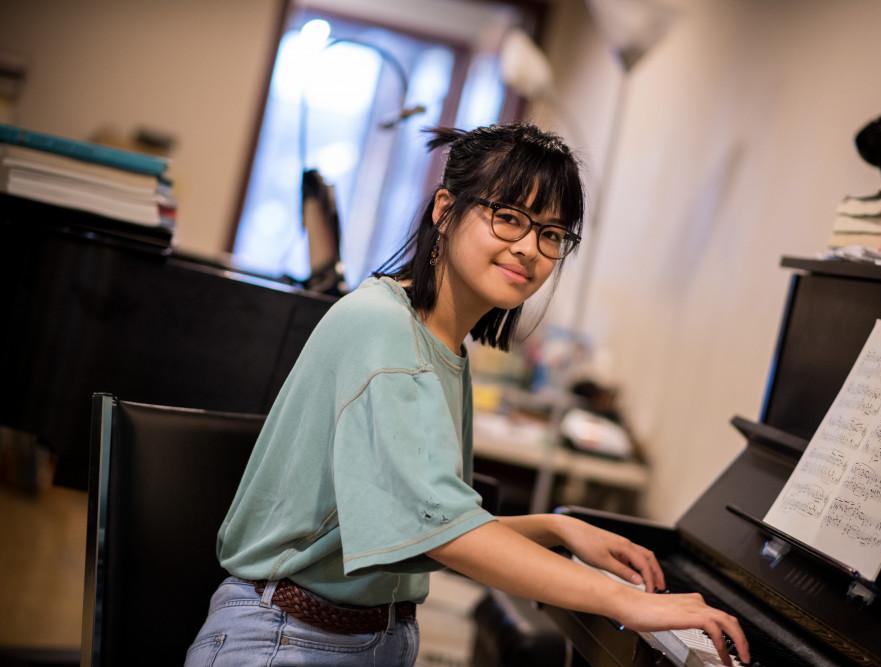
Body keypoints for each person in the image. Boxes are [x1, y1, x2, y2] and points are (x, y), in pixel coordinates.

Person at [185, 123, 750, 667]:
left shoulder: (439, 345)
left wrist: (557, 528)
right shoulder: (382, 328)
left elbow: (416, 526)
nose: (530, 248)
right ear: (444, 210)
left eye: (552, 234)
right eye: (508, 218)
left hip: (359, 638)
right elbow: (443, 532)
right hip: (286, 641)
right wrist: (631, 602)